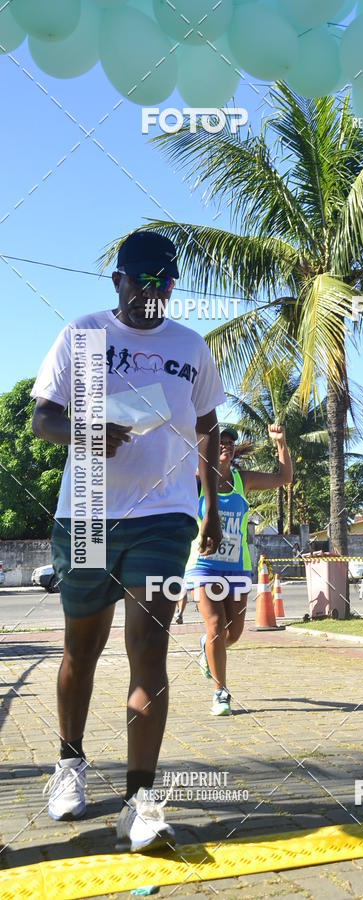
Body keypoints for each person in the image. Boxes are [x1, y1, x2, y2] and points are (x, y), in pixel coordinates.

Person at [31, 231, 224, 852]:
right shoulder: (82, 335)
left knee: (149, 646)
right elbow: (42, 418)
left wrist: (211, 506)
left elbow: (207, 432)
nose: (152, 292)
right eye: (141, 280)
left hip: (164, 517)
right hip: (85, 512)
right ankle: (69, 763)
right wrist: (88, 431)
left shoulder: (191, 347)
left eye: (164, 282)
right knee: (81, 647)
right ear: (117, 280)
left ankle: (140, 800)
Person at [183, 423, 292, 716]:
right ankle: (221, 693)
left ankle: (208, 647)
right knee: (216, 624)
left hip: (238, 568)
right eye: (219, 441)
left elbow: (284, 477)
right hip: (204, 565)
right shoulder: (194, 481)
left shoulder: (243, 480)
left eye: (230, 443)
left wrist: (280, 443)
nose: (225, 446)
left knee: (233, 633)